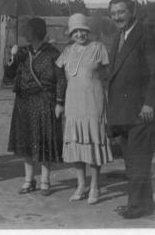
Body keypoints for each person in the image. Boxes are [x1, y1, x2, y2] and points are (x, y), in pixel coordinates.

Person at [106, 0, 155, 219]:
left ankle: (138, 207)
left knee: (139, 161)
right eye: (113, 14)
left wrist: (149, 103)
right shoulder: (119, 36)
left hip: (143, 111)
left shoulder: (147, 35)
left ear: (132, 11)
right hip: (124, 112)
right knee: (133, 161)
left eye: (121, 12)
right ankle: (141, 204)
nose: (117, 17)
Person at [55, 13, 114, 204]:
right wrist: (59, 103)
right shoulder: (66, 52)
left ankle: (95, 186)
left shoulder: (98, 48)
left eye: (83, 30)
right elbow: (60, 80)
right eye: (75, 31)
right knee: (76, 145)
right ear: (70, 33)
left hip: (93, 103)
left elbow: (107, 77)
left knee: (92, 144)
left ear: (88, 31)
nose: (79, 34)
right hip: (73, 104)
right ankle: (81, 185)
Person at [5, 17, 66, 196]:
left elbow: (61, 80)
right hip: (24, 101)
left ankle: (45, 181)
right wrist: (13, 56)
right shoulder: (22, 52)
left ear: (37, 32)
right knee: (27, 140)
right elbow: (9, 74)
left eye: (29, 30)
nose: (25, 33)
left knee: (45, 140)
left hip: (45, 101)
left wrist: (60, 102)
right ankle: (28, 180)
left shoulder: (53, 53)